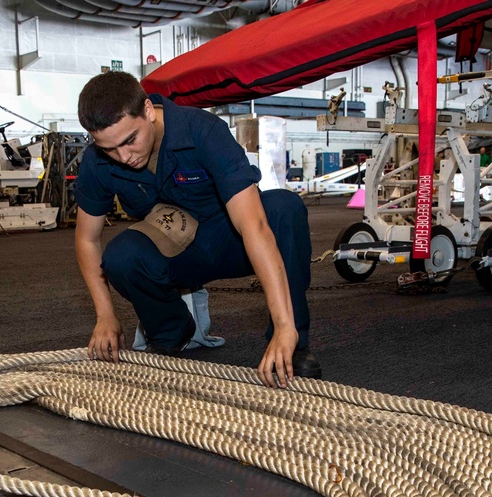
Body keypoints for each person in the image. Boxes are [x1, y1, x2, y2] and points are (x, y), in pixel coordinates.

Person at [73, 71, 319, 388]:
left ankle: (292, 342)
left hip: (233, 240)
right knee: (122, 256)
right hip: (179, 252)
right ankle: (170, 333)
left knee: (285, 209)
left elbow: (253, 225)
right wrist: (105, 315)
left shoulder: (202, 130)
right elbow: (87, 239)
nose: (124, 157)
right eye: (109, 148)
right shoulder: (98, 161)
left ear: (148, 111)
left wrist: (286, 325)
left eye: (130, 140)